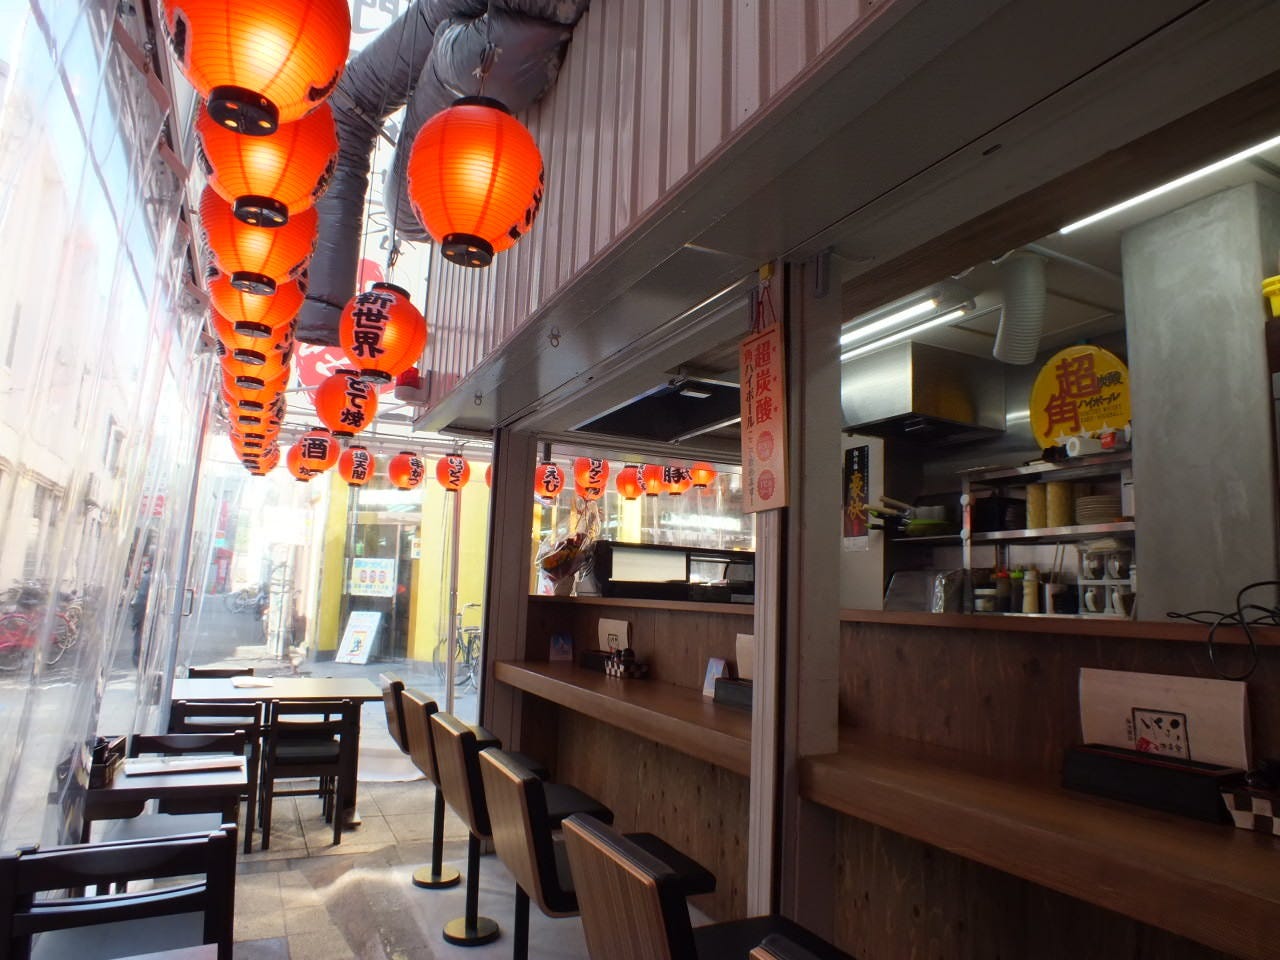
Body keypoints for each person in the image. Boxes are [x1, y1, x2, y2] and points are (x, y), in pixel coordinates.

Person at [130, 560, 151, 666]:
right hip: (152, 616)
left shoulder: (147, 578)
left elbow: (140, 601)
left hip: (144, 615)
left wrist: (135, 621)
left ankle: (139, 662)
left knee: (140, 636)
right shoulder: (162, 577)